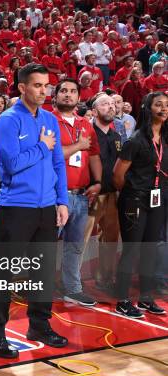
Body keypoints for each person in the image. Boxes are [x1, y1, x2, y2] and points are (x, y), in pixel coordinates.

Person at [0, 64, 69, 359]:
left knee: (43, 271)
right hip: (17, 207)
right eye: (37, 85)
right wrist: (42, 147)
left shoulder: (50, 119)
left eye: (47, 85)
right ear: (22, 88)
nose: (44, 91)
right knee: (4, 273)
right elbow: (11, 164)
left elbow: (59, 163)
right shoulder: (7, 120)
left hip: (47, 207)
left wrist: (62, 201)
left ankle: (39, 326)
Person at [112, 92, 168, 317]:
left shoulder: (165, 139)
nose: (164, 108)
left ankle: (145, 298)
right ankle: (122, 300)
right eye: (158, 105)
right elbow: (117, 176)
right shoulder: (135, 140)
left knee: (149, 250)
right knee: (132, 250)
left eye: (166, 105)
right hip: (135, 200)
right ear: (147, 108)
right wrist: (133, 193)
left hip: (158, 200)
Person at [53, 79, 102, 306]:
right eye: (63, 91)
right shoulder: (48, 119)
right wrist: (78, 146)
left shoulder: (86, 124)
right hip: (55, 194)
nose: (68, 95)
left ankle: (72, 288)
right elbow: (48, 154)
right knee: (44, 244)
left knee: (75, 245)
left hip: (81, 194)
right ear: (55, 95)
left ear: (79, 98)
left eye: (73, 91)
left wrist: (98, 181)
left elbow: (93, 154)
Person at [82, 94, 121, 291]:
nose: (111, 107)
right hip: (91, 194)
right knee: (82, 238)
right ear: (95, 111)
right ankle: (70, 282)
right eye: (105, 104)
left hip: (112, 195)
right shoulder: (87, 133)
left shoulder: (117, 136)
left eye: (112, 104)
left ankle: (105, 278)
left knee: (111, 239)